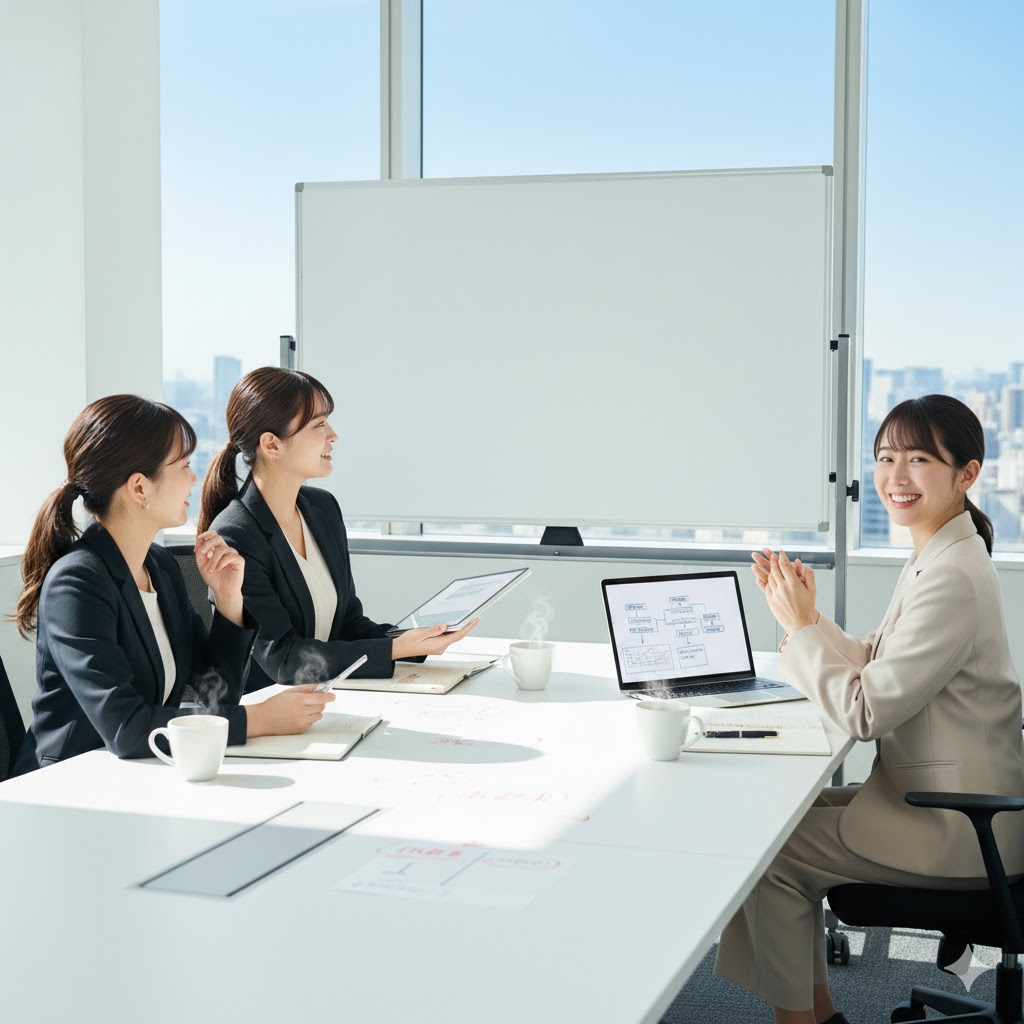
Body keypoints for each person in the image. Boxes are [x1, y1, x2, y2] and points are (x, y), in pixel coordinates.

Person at [714, 394, 1024, 1024]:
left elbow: (864, 713)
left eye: (919, 459)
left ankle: (804, 1019)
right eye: (885, 458)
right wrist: (809, 618)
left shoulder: (951, 575)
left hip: (961, 827)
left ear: (967, 474)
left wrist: (800, 630)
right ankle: (819, 1013)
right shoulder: (938, 554)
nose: (896, 476)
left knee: (768, 852)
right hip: (947, 803)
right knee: (776, 818)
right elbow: (877, 662)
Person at [11, 395, 334, 775]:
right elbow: (125, 727)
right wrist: (260, 719)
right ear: (139, 488)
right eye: (183, 466)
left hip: (140, 772)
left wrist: (228, 599)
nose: (194, 479)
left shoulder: (159, 567)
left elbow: (215, 694)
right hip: (67, 782)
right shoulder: (77, 582)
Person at [199, 367, 477, 691]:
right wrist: (396, 649)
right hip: (269, 708)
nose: (333, 435)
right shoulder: (237, 535)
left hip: (326, 696)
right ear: (272, 445)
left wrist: (415, 639)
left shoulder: (322, 510)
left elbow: (348, 624)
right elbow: (283, 659)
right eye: (319, 424)